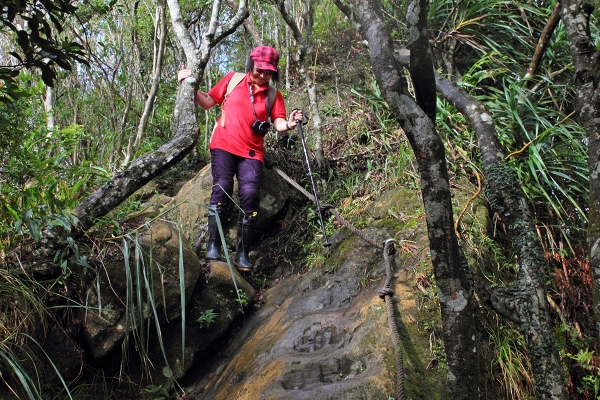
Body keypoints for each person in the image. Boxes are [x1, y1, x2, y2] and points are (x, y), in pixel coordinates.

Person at [178, 45, 303, 272]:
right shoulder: (232, 80)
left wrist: (291, 123)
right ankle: (214, 245)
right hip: (223, 145)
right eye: (260, 70)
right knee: (222, 188)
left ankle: (243, 251)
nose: (263, 75)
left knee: (251, 195)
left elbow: (278, 123)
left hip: (252, 151)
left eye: (269, 72)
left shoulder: (274, 95)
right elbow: (207, 102)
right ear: (251, 64)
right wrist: (188, 84)